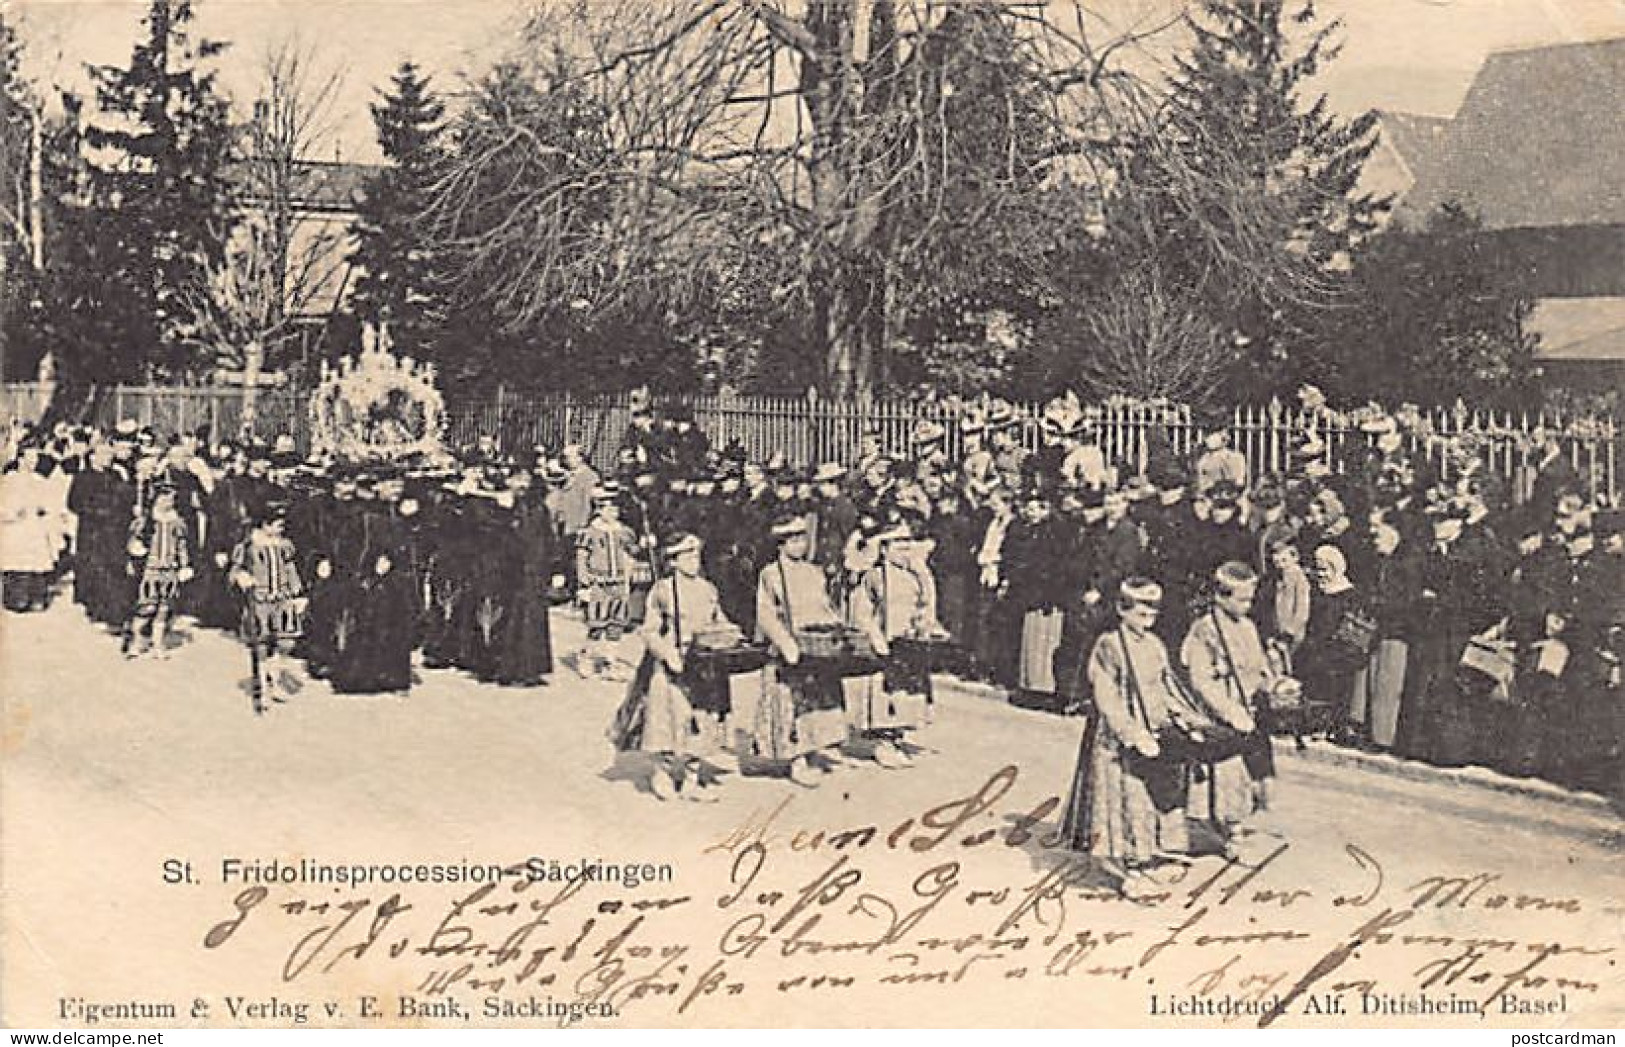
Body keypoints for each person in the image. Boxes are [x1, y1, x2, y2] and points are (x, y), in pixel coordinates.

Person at [1061, 579, 1213, 888]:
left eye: (1154, 607)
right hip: (1120, 739)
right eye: (1142, 607)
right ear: (1122, 608)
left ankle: (1149, 856)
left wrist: (1189, 719)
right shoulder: (1109, 644)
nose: (1149, 613)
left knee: (1153, 795)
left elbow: (1167, 689)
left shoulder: (1155, 645)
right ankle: (1123, 867)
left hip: (1156, 732)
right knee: (1125, 798)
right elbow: (1107, 696)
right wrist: (1131, 733)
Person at [611, 532, 740, 802]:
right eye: (688, 556)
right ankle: (662, 773)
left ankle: (692, 777)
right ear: (674, 561)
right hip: (673, 661)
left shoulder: (708, 589)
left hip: (705, 661)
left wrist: (731, 635)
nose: (694, 561)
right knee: (670, 717)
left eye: (696, 555)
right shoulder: (663, 590)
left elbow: (719, 620)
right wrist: (667, 653)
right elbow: (649, 630)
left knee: (702, 718)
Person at [752, 514, 852, 787]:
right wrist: (785, 643)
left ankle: (815, 751)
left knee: (818, 701)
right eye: (792, 541)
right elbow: (765, 614)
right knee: (791, 704)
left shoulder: (813, 572)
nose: (798, 545)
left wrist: (836, 627)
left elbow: (825, 606)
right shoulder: (771, 574)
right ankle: (796, 759)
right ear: (780, 544)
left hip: (815, 644)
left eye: (801, 540)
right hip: (789, 647)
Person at [1179, 562, 1269, 835]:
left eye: (1251, 599)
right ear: (1221, 596)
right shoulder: (1205, 629)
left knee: (1238, 774)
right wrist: (1229, 711)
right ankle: (1221, 830)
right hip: (1217, 715)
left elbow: (1259, 665)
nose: (1248, 605)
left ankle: (1231, 825)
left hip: (1245, 712)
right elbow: (1200, 679)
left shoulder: (1248, 627)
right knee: (1219, 772)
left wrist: (1273, 684)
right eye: (1242, 599)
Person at [229, 498, 306, 714]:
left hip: (283, 598)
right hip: (260, 600)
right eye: (277, 524)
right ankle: (263, 688)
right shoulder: (249, 545)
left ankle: (276, 678)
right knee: (261, 645)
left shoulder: (285, 545)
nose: (281, 528)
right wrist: (242, 577)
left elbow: (291, 569)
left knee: (285, 642)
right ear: (265, 524)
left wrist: (298, 593)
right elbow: (235, 569)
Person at [575, 484, 640, 681]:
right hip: (598, 582)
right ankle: (587, 656)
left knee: (616, 623)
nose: (612, 513)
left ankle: (611, 660)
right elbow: (581, 556)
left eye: (615, 509)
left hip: (618, 581)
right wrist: (584, 581)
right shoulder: (590, 533)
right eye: (607, 509)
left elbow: (631, 551)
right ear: (599, 509)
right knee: (597, 623)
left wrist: (642, 546)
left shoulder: (623, 532)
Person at [123, 481, 193, 657]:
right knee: (146, 608)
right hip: (149, 570)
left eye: (171, 500)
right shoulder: (145, 522)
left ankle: (158, 643)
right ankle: (137, 642)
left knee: (164, 609)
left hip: (169, 569)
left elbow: (182, 546)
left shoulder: (177, 523)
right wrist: (135, 553)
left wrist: (184, 565)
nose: (168, 503)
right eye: (164, 499)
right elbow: (133, 543)